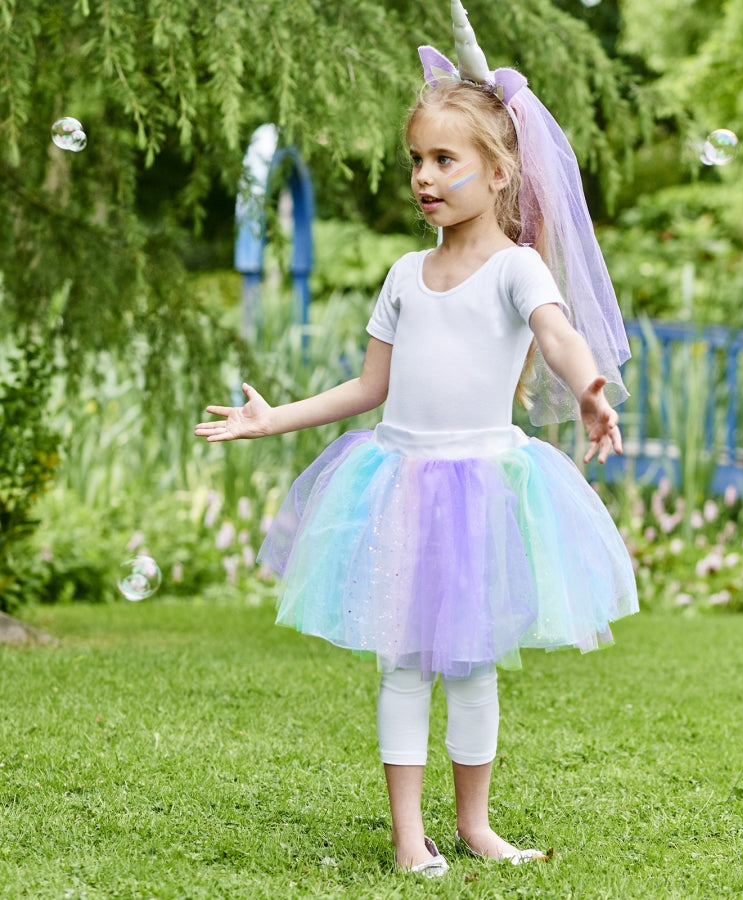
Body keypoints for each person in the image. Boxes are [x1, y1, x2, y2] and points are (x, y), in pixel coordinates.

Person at [196, 0, 638, 878]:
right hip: (398, 477)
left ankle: (474, 824)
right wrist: (270, 416)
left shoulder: (517, 266)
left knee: (472, 666)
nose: (425, 177)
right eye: (417, 161)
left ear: (501, 170)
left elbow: (555, 332)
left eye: (446, 160)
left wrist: (589, 385)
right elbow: (370, 387)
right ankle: (408, 836)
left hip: (482, 481)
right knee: (404, 662)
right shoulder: (405, 273)